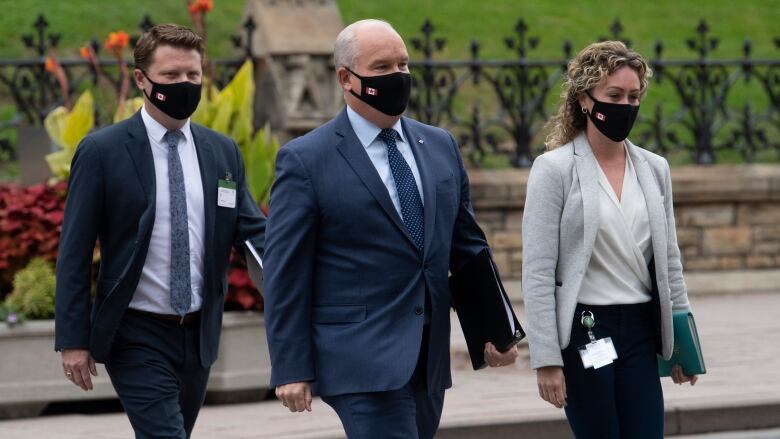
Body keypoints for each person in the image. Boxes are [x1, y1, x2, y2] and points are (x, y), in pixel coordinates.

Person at [263, 19, 518, 439]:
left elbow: (467, 245)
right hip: (358, 359)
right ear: (346, 78)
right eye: (382, 67)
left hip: (428, 357)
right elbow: (284, 272)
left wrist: (495, 326)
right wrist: (291, 366)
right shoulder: (306, 160)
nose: (398, 76)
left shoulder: (439, 145)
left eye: (403, 64)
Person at [54, 24, 266, 438]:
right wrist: (72, 340)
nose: (184, 84)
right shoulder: (103, 152)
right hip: (135, 333)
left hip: (199, 335)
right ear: (141, 80)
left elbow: (252, 231)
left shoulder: (221, 151)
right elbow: (74, 251)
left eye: (192, 75)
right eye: (171, 76)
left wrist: (294, 274)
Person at [521, 41, 698, 439]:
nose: (626, 105)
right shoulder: (554, 170)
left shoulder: (654, 169)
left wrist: (683, 346)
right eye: (614, 96)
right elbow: (537, 271)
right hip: (586, 329)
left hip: (640, 329)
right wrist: (546, 359)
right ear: (585, 99)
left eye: (634, 96)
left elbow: (669, 262)